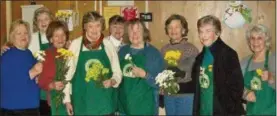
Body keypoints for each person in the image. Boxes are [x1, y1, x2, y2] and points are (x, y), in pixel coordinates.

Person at [63, 11, 122, 115]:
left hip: (105, 103)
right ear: (85, 27)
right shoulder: (76, 45)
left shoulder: (108, 45)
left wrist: (112, 81)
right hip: (83, 103)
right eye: (90, 26)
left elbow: (117, 72)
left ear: (102, 26)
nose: (94, 30)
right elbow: (66, 75)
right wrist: (67, 100)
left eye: (98, 26)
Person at [192, 15, 245, 115]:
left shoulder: (228, 54)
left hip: (223, 110)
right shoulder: (199, 58)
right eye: (201, 31)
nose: (204, 35)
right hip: (204, 109)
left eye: (208, 31)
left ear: (217, 33)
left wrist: (228, 108)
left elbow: (237, 86)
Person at [118, 18, 164, 115]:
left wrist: (145, 75)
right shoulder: (122, 51)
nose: (135, 34)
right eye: (131, 31)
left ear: (144, 33)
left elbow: (160, 84)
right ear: (127, 33)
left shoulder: (153, 53)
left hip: (145, 106)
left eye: (138, 30)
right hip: (124, 106)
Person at [1, 19, 43, 116]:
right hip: (14, 109)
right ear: (12, 36)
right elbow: (10, 82)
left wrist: (38, 76)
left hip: (30, 107)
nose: (23, 36)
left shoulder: (28, 53)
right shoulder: (7, 55)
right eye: (19, 33)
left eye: (25, 33)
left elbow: (35, 75)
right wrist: (33, 72)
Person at [160, 14, 199, 115]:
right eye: (170, 27)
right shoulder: (164, 49)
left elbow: (188, 72)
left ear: (183, 30)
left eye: (177, 27)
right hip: (168, 94)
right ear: (167, 30)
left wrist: (175, 72)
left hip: (185, 93)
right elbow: (161, 70)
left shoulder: (190, 48)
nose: (173, 30)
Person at [240, 24, 276, 115]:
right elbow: (236, 85)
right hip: (251, 112)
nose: (255, 42)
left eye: (259, 38)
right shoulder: (245, 62)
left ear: (266, 41)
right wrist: (245, 93)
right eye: (252, 38)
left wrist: (272, 79)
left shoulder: (274, 59)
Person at [38, 20, 71, 115]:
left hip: (69, 99)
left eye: (63, 35)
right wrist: (52, 85)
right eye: (56, 36)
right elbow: (41, 81)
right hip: (51, 100)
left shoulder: (70, 53)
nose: (60, 39)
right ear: (51, 39)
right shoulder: (46, 55)